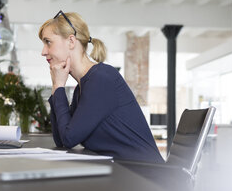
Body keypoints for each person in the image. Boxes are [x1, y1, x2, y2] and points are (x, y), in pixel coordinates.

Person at [39, 10, 164, 163]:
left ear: (71, 41)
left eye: (48, 42)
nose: (43, 52)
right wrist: (56, 87)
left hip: (144, 178)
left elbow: (69, 138)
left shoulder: (101, 79)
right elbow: (62, 140)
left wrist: (59, 86)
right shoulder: (82, 88)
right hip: (122, 173)